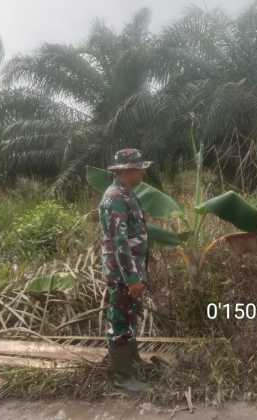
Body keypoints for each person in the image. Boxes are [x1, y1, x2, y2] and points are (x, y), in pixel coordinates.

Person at [99, 148, 153, 393]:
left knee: (130, 315)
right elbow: (118, 242)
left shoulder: (127, 193)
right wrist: (131, 278)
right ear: (128, 170)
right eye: (139, 167)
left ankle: (131, 361)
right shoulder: (115, 198)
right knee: (120, 320)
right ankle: (121, 377)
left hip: (131, 270)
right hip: (122, 273)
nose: (142, 171)